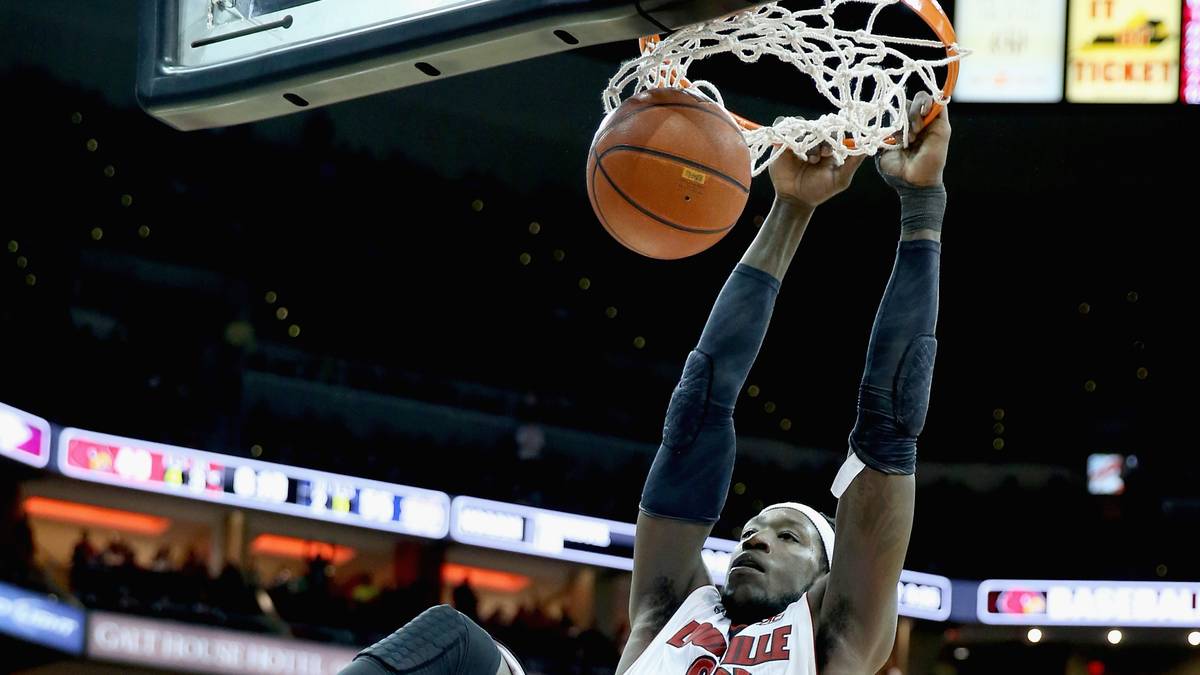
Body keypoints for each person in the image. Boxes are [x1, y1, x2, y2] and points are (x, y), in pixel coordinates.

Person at [617, 92, 950, 674]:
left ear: (826, 579)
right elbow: (701, 404)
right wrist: (789, 207)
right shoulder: (667, 609)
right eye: (751, 531)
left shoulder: (835, 638)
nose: (754, 540)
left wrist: (923, 203)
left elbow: (890, 423)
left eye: (789, 537)